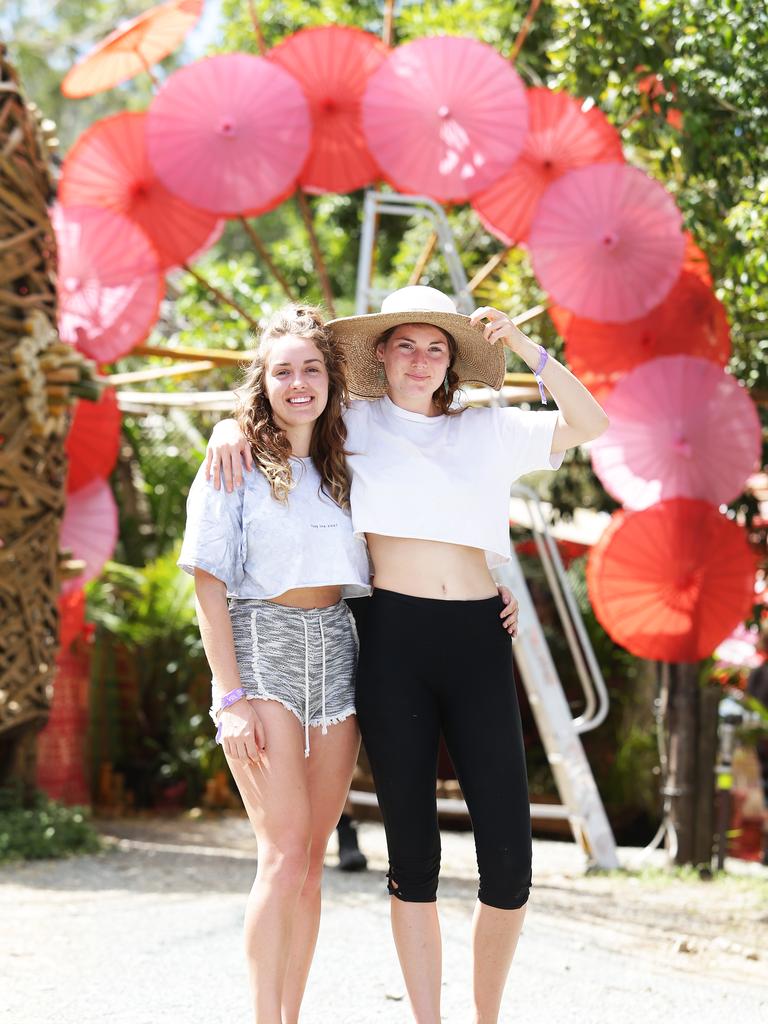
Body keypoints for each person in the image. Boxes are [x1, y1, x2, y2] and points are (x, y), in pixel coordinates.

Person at [207, 285, 608, 1024]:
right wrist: (231, 431)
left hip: (481, 638)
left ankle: (486, 1018)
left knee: (510, 867)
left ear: (453, 361)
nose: (420, 359)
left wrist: (522, 347)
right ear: (380, 356)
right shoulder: (351, 423)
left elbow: (591, 420)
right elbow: (281, 401)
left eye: (436, 347)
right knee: (414, 858)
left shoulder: (487, 429)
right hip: (393, 640)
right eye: (405, 344)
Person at [178, 305, 371, 1024]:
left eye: (311, 369)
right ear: (263, 382)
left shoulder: (348, 462)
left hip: (338, 651)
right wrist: (228, 699)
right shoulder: (232, 463)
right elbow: (208, 583)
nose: (299, 383)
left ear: (331, 378)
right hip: (262, 651)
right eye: (283, 370)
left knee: (313, 861)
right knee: (284, 852)